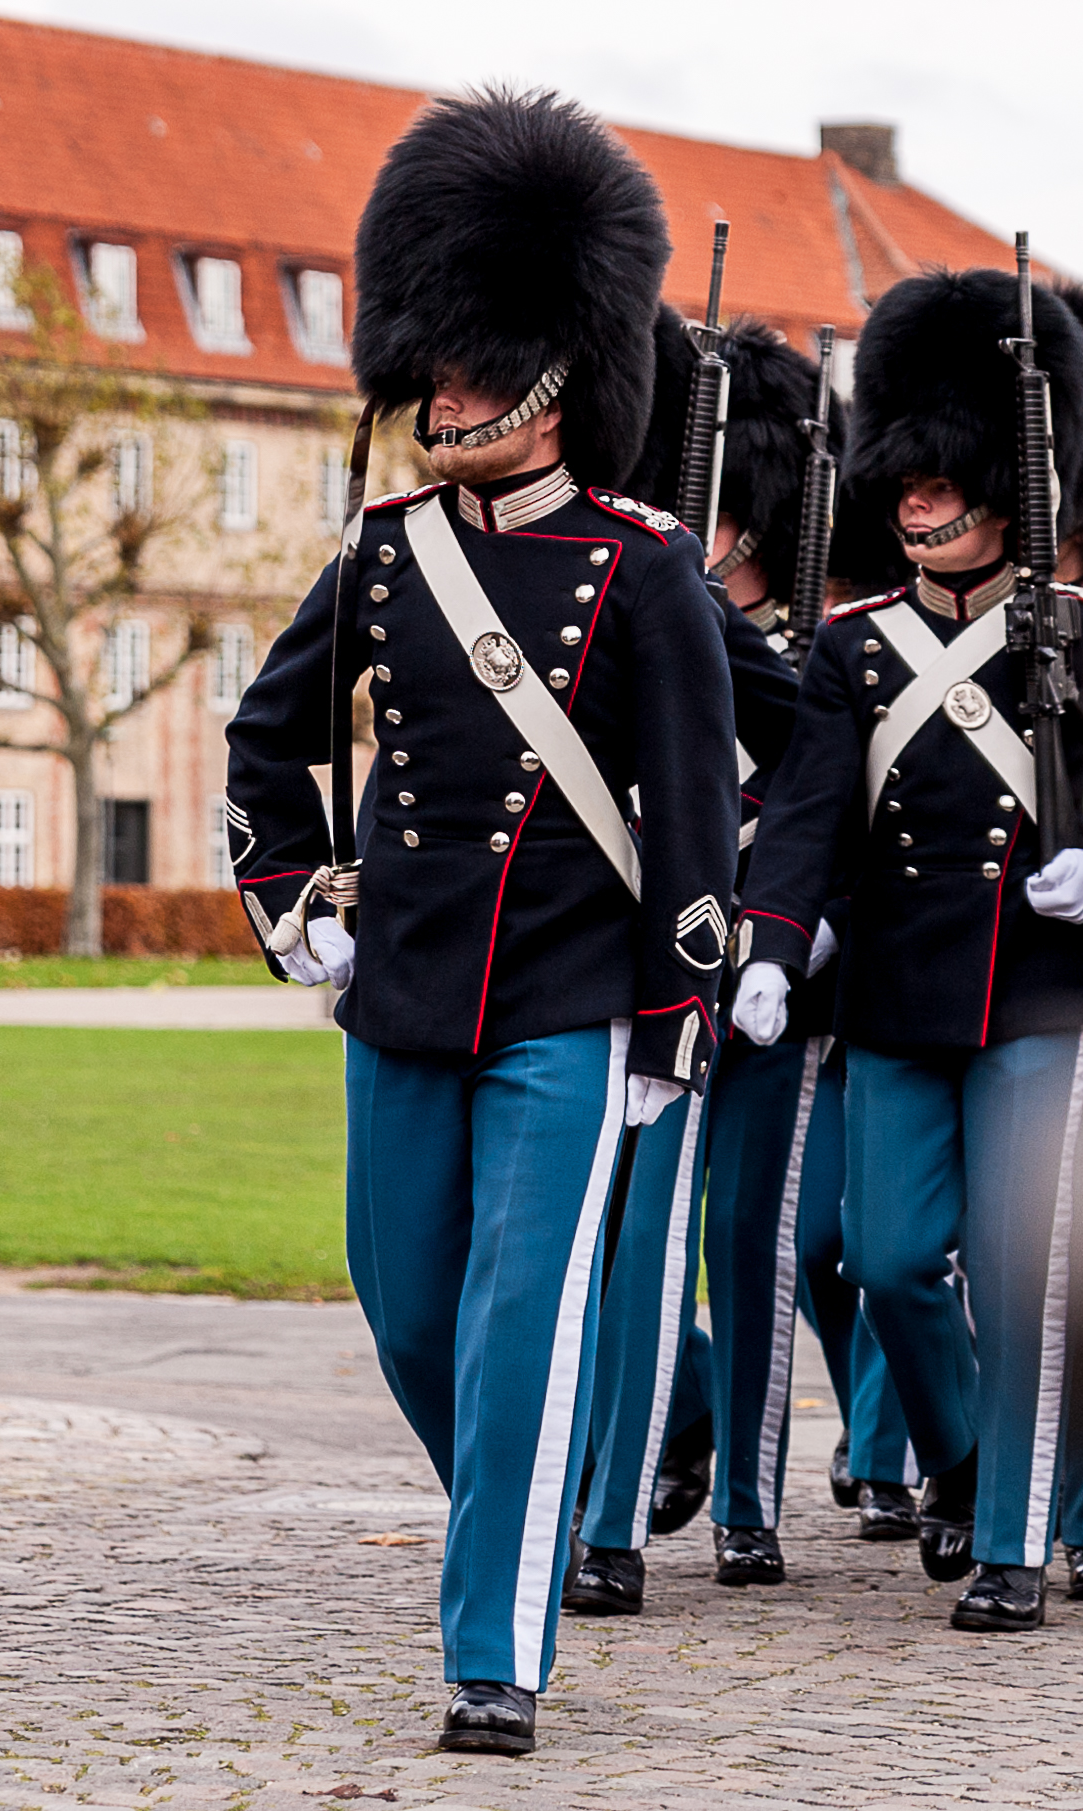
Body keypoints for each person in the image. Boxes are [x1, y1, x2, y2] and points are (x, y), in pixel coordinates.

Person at [225, 88, 740, 1751]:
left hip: (572, 1000)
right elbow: (266, 736)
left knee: (527, 1314)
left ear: (557, 375)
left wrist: (674, 1024)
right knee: (410, 1308)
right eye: (431, 359)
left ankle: (493, 1653)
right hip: (405, 992)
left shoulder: (644, 567)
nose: (442, 390)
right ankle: (525, 1505)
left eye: (474, 360)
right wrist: (294, 896)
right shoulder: (384, 554)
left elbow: (691, 814)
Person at [733, 267, 1083, 1632]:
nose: (917, 499)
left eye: (944, 479)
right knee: (882, 1262)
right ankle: (966, 1462)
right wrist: (767, 947)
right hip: (891, 995)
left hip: (1041, 997)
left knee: (1013, 1266)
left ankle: (1007, 1547)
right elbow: (806, 817)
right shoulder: (852, 652)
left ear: (1005, 483)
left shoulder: (1070, 640)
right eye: (907, 479)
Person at [565, 319, 915, 1618]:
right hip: (647, 967)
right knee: (633, 1240)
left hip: (774, 983)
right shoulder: (630, 621)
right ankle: (617, 1490)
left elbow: (847, 805)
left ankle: (754, 1505)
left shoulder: (811, 658)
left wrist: (805, 920)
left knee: (758, 1241)